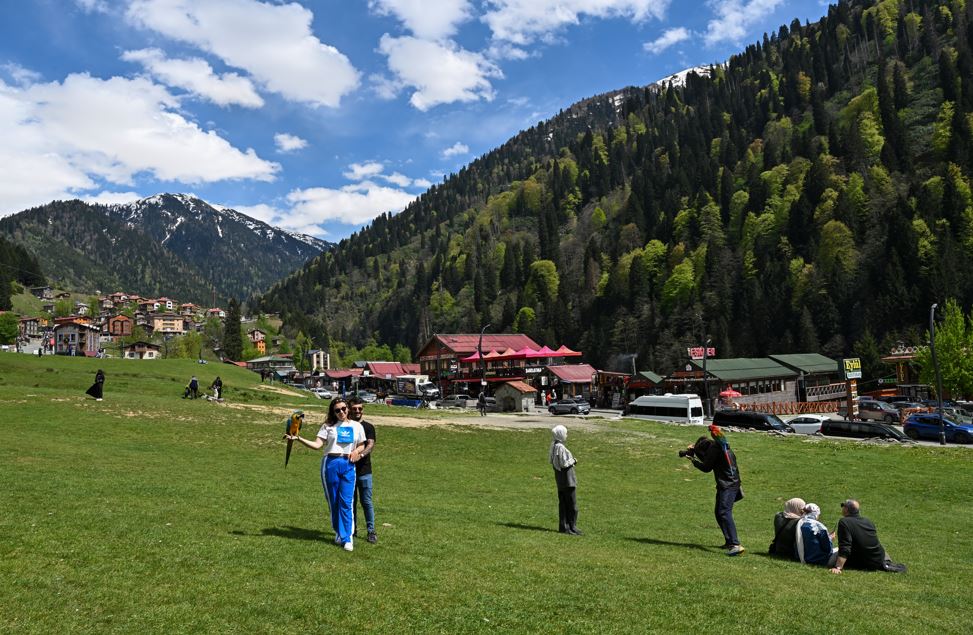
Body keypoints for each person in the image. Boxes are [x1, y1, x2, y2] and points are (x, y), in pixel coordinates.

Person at [286, 398, 366, 551]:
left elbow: (362, 444)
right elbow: (317, 445)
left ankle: (347, 538)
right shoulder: (328, 426)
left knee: (347, 502)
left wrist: (357, 451)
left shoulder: (357, 426)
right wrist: (298, 438)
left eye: (343, 408)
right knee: (334, 501)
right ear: (333, 412)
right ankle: (338, 532)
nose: (341, 412)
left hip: (348, 464)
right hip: (330, 463)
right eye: (337, 410)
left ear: (347, 408)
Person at [685, 425, 745, 555]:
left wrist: (693, 460)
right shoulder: (719, 447)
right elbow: (710, 462)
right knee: (719, 512)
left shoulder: (714, 449)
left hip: (728, 485)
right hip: (730, 483)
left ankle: (735, 544)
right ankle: (729, 542)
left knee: (724, 512)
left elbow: (706, 467)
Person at [830, 499, 906, 574]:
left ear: (846, 509)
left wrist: (838, 567)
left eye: (843, 506)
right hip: (878, 558)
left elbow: (845, 546)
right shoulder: (867, 521)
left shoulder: (844, 522)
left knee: (829, 557)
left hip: (865, 562)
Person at [349, 397, 377, 544]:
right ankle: (352, 530)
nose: (358, 411)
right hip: (348, 470)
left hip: (365, 471)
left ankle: (371, 531)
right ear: (349, 409)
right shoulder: (346, 426)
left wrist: (360, 455)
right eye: (354, 409)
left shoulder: (368, 427)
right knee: (350, 502)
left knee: (366, 502)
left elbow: (370, 445)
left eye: (360, 408)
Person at [550, 425, 581, 535]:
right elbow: (563, 463)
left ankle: (564, 526)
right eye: (566, 433)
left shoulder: (553, 445)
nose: (567, 435)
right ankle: (572, 526)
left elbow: (552, 461)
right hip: (567, 479)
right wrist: (573, 461)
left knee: (563, 503)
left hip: (560, 479)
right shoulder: (560, 447)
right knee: (572, 504)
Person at [796, 503, 838, 567]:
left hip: (799, 556)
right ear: (815, 514)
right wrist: (830, 538)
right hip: (818, 560)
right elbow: (827, 549)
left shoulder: (798, 523)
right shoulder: (820, 527)